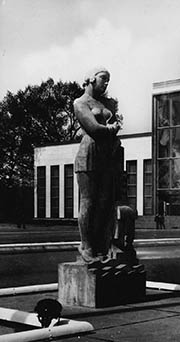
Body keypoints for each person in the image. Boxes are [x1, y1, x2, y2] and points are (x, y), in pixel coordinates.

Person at [74, 67, 122, 263]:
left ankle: (101, 246)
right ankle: (87, 246)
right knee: (89, 202)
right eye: (103, 78)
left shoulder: (106, 103)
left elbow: (115, 123)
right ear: (91, 78)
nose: (106, 83)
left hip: (106, 156)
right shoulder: (80, 102)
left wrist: (112, 128)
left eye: (108, 79)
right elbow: (93, 128)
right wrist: (112, 128)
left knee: (104, 203)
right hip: (89, 154)